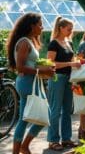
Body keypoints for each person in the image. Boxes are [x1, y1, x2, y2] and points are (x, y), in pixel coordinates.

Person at [7, 13, 55, 154]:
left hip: (29, 82)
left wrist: (44, 69)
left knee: (25, 118)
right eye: (40, 24)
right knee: (38, 115)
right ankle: (21, 148)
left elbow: (30, 64)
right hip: (27, 83)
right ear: (32, 26)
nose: (42, 27)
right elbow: (20, 67)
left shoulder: (29, 41)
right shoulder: (24, 42)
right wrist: (41, 71)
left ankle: (22, 147)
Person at [47, 17, 81, 151]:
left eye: (72, 29)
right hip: (57, 78)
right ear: (60, 28)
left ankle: (66, 138)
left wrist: (78, 62)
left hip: (69, 78)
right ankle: (53, 140)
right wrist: (70, 63)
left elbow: (72, 59)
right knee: (55, 110)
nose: (71, 31)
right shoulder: (53, 43)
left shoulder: (69, 42)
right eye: (69, 29)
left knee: (68, 110)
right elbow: (50, 64)